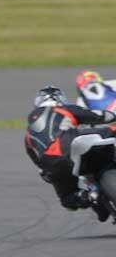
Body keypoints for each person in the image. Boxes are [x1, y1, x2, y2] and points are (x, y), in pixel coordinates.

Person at [24, 86, 116, 222]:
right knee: (112, 130)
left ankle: (90, 196)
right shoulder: (63, 109)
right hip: (69, 142)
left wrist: (50, 174)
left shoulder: (27, 133)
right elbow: (103, 116)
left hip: (51, 162)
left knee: (68, 200)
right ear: (60, 99)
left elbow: (37, 160)